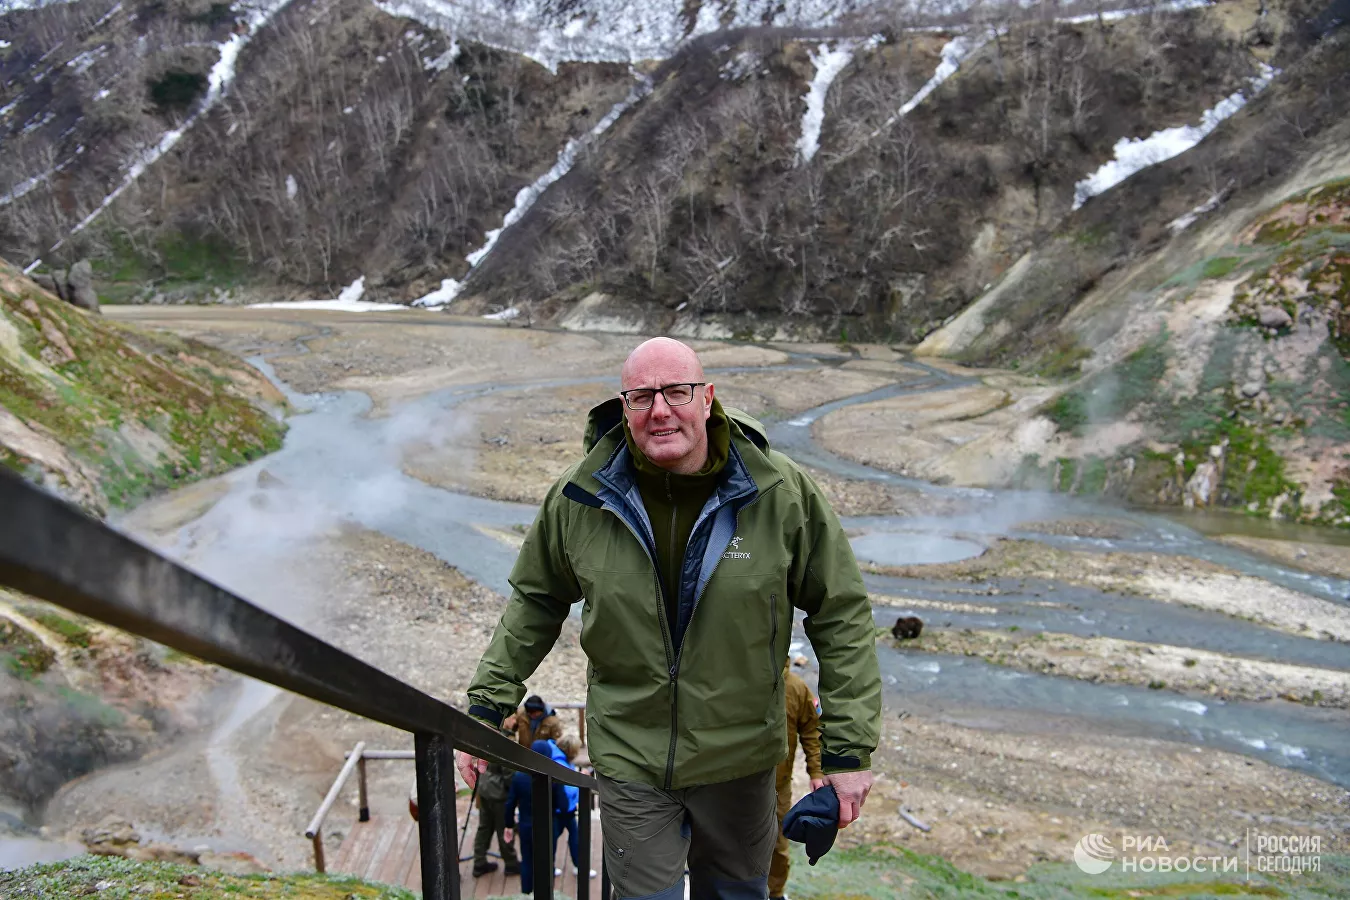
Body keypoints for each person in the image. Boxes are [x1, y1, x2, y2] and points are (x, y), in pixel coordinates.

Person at [458, 337, 881, 900]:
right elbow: (535, 602)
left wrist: (846, 753)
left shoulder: (779, 492)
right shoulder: (580, 497)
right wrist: (487, 707)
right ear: (623, 406)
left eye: (676, 392)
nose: (660, 411)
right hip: (632, 759)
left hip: (742, 760)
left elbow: (841, 612)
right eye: (642, 397)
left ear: (707, 399)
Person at [770, 663, 826, 900]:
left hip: (778, 786)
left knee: (778, 846)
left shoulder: (795, 687)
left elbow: (812, 732)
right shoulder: (737, 679)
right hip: (734, 783)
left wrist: (816, 772)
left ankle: (775, 893)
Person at [505, 740, 571, 894]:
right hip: (548, 825)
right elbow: (563, 805)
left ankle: (526, 894)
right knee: (548, 863)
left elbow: (510, 803)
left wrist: (508, 825)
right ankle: (546, 893)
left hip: (526, 826)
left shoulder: (519, 776)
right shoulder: (553, 777)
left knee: (527, 861)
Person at [471, 714, 521, 878]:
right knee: (505, 827)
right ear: (505, 720)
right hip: (499, 794)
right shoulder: (506, 743)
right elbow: (508, 774)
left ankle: (479, 862)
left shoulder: (488, 735)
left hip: (484, 788)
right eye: (513, 718)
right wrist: (513, 793)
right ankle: (511, 863)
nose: (515, 722)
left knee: (484, 827)